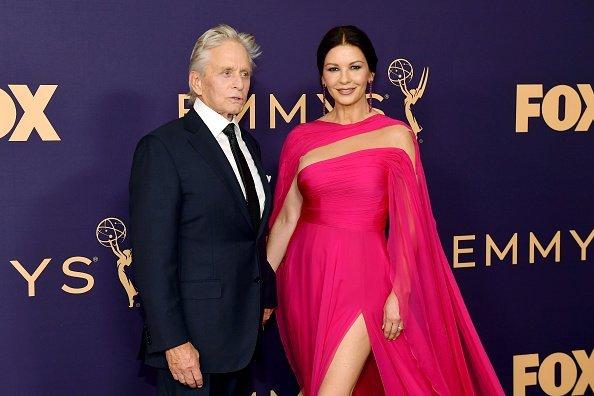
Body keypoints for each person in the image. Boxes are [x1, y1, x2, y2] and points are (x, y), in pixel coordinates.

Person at [266, 26, 504, 395]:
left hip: (364, 274)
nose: (344, 79)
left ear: (371, 74)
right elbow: (286, 218)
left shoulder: (395, 135)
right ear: (322, 78)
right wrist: (261, 287)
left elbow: (410, 226)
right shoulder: (301, 138)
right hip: (305, 277)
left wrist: (400, 292)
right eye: (333, 69)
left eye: (355, 67)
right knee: (315, 386)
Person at [130, 24, 276, 395]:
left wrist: (265, 296)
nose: (239, 83)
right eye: (226, 73)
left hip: (242, 339)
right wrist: (173, 342)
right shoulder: (164, 147)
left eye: (244, 74)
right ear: (197, 82)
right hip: (192, 347)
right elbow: (152, 257)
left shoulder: (250, 146)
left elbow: (249, 235)